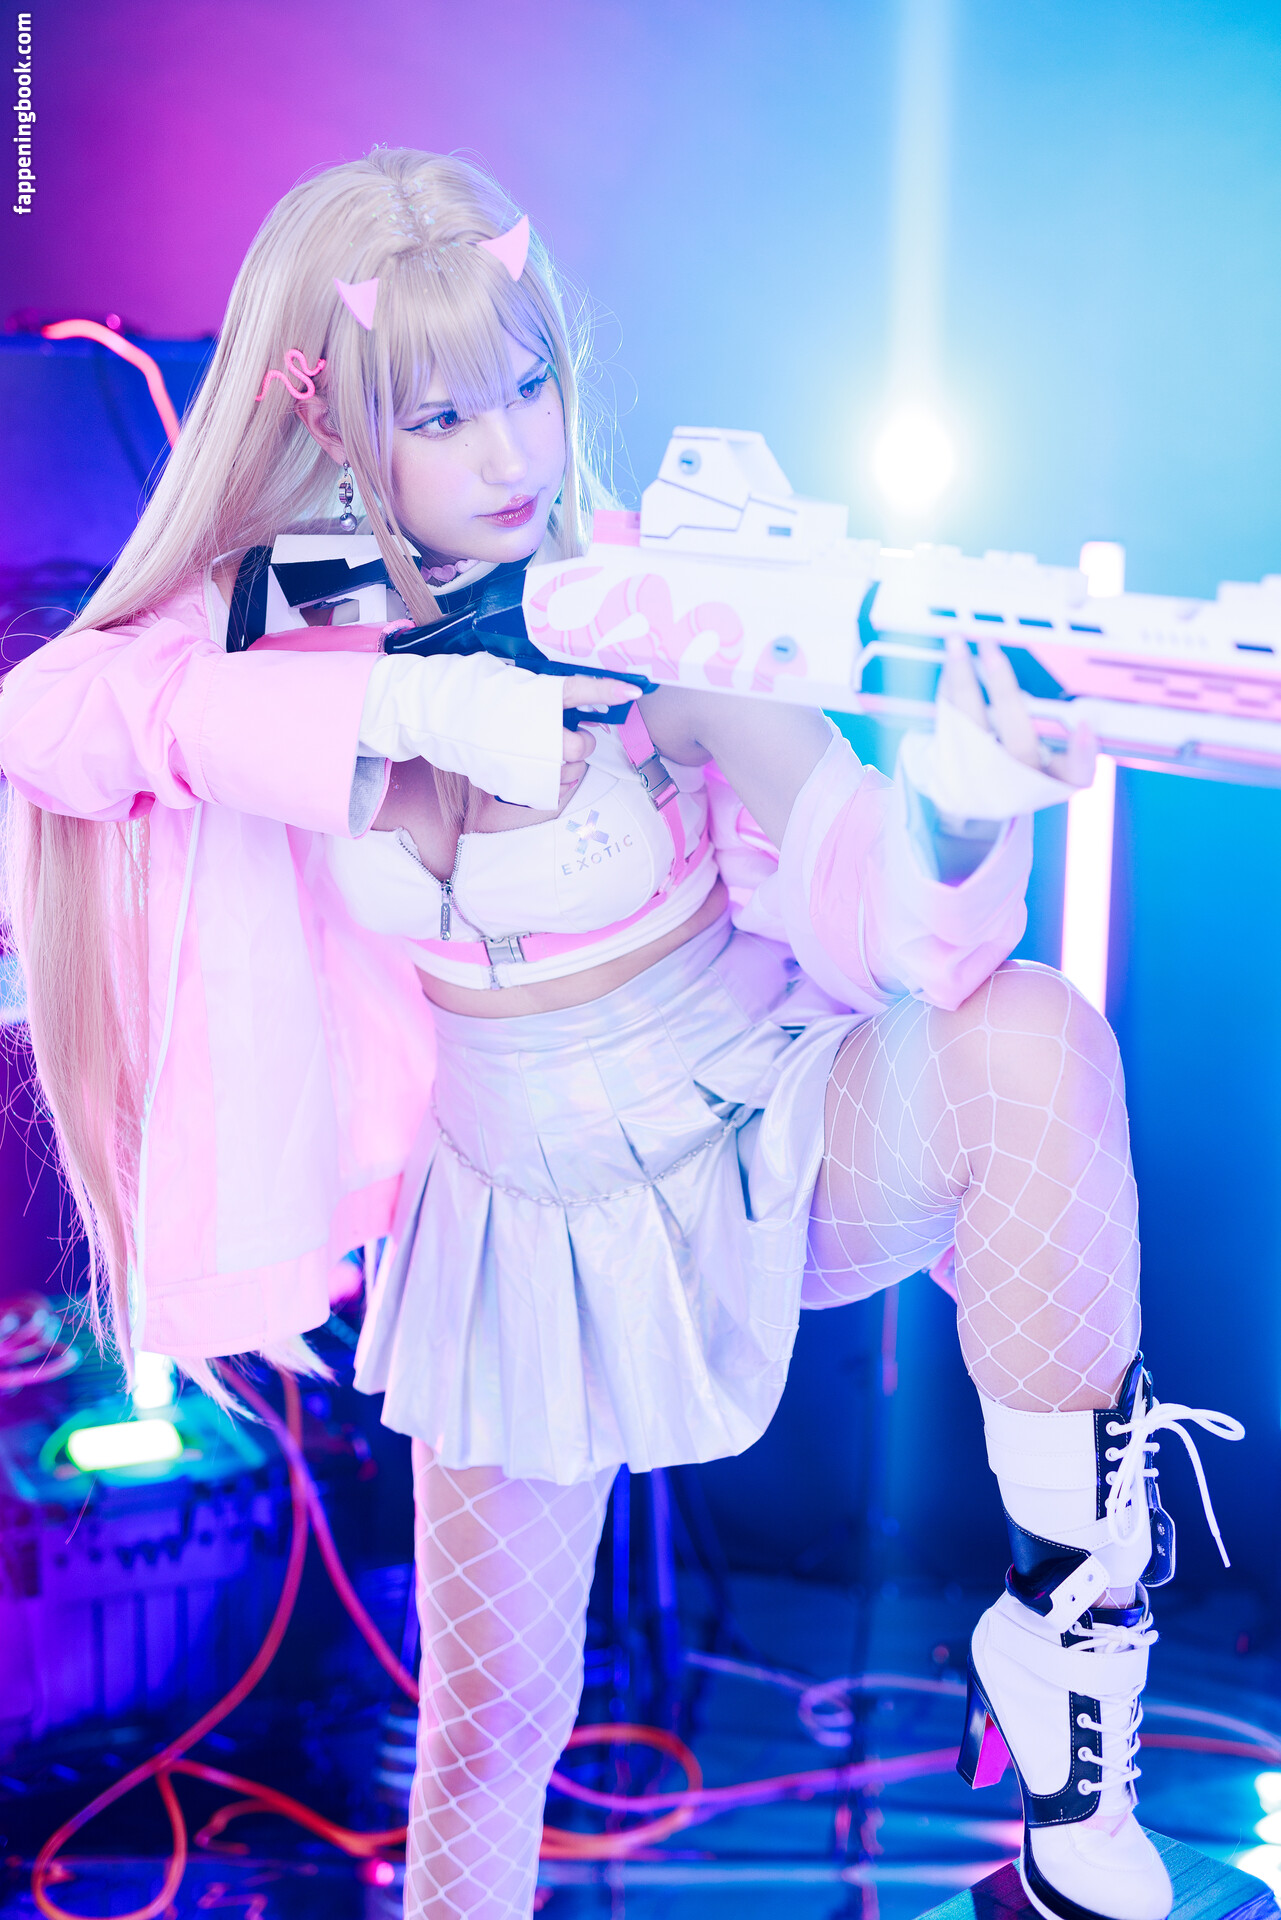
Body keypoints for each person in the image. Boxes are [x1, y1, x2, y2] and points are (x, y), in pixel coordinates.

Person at [0, 149, 1240, 1920]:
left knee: (1033, 1041)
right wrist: (407, 707)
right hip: (508, 1219)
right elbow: (48, 718)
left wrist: (958, 804)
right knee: (489, 1733)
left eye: (528, 387)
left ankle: (1066, 1677)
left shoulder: (658, 597)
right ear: (337, 422)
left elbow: (887, 911)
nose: (510, 452)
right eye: (442, 415)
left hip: (755, 1134)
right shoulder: (297, 609)